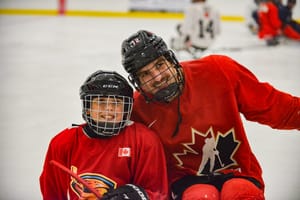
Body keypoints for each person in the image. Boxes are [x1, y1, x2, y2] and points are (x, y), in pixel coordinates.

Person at [120, 30, 300, 200]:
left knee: (240, 192)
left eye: (160, 65)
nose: (158, 77)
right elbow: (109, 147)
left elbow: (277, 108)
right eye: (145, 74)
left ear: (171, 59)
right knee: (200, 195)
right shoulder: (136, 109)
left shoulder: (218, 71)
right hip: (185, 182)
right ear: (137, 82)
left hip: (239, 172)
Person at [39, 70, 169, 200]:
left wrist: (135, 196)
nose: (109, 108)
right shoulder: (63, 142)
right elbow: (51, 194)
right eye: (101, 101)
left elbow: (157, 193)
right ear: (88, 108)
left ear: (126, 109)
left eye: (117, 102)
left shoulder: (144, 140)